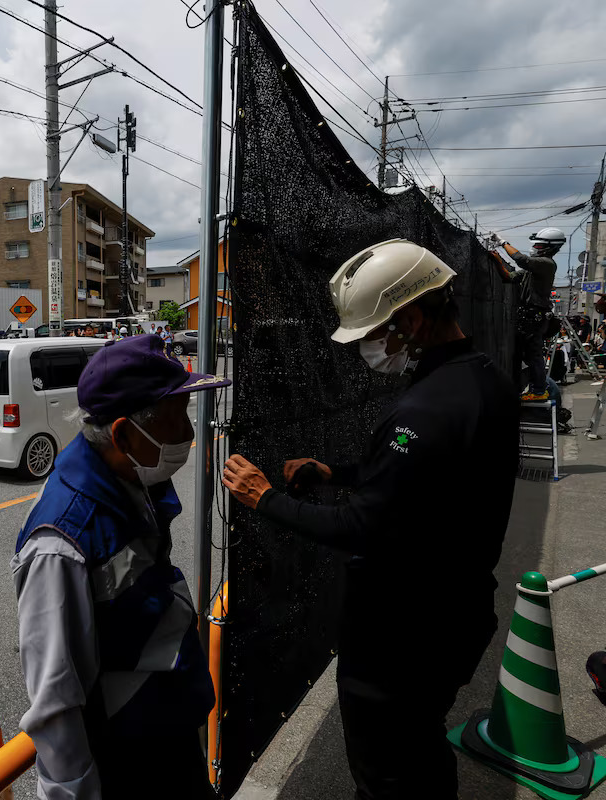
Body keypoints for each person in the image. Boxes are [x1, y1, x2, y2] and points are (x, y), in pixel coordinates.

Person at [220, 240, 518, 800]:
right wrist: (335, 472)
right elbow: (423, 484)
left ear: (409, 317)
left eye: (373, 333)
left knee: (386, 772)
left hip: (403, 636)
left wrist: (265, 498)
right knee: (422, 751)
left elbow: (363, 527)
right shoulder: (483, 383)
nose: (370, 348)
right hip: (457, 613)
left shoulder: (425, 410)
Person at [13, 334, 230, 798]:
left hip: (165, 725)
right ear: (123, 434)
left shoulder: (132, 476)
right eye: (175, 419)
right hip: (127, 761)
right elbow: (54, 699)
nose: (189, 434)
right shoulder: (61, 541)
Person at [490, 228, 563, 401]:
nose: (535, 247)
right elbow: (509, 277)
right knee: (527, 354)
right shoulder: (533, 270)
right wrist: (496, 260)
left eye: (538, 244)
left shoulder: (546, 263)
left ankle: (539, 391)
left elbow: (521, 260)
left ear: (549, 248)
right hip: (529, 315)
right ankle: (535, 388)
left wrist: (503, 243)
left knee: (533, 355)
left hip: (535, 314)